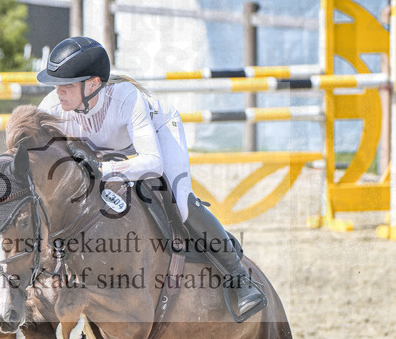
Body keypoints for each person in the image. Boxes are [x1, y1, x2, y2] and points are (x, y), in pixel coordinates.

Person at [35, 36, 266, 322]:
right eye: (57, 84)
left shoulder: (126, 99)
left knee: (180, 202)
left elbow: (153, 163)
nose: (58, 92)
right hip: (103, 150)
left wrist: (104, 171)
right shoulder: (52, 106)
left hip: (156, 137)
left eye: (67, 85)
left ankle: (239, 279)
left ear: (93, 84)